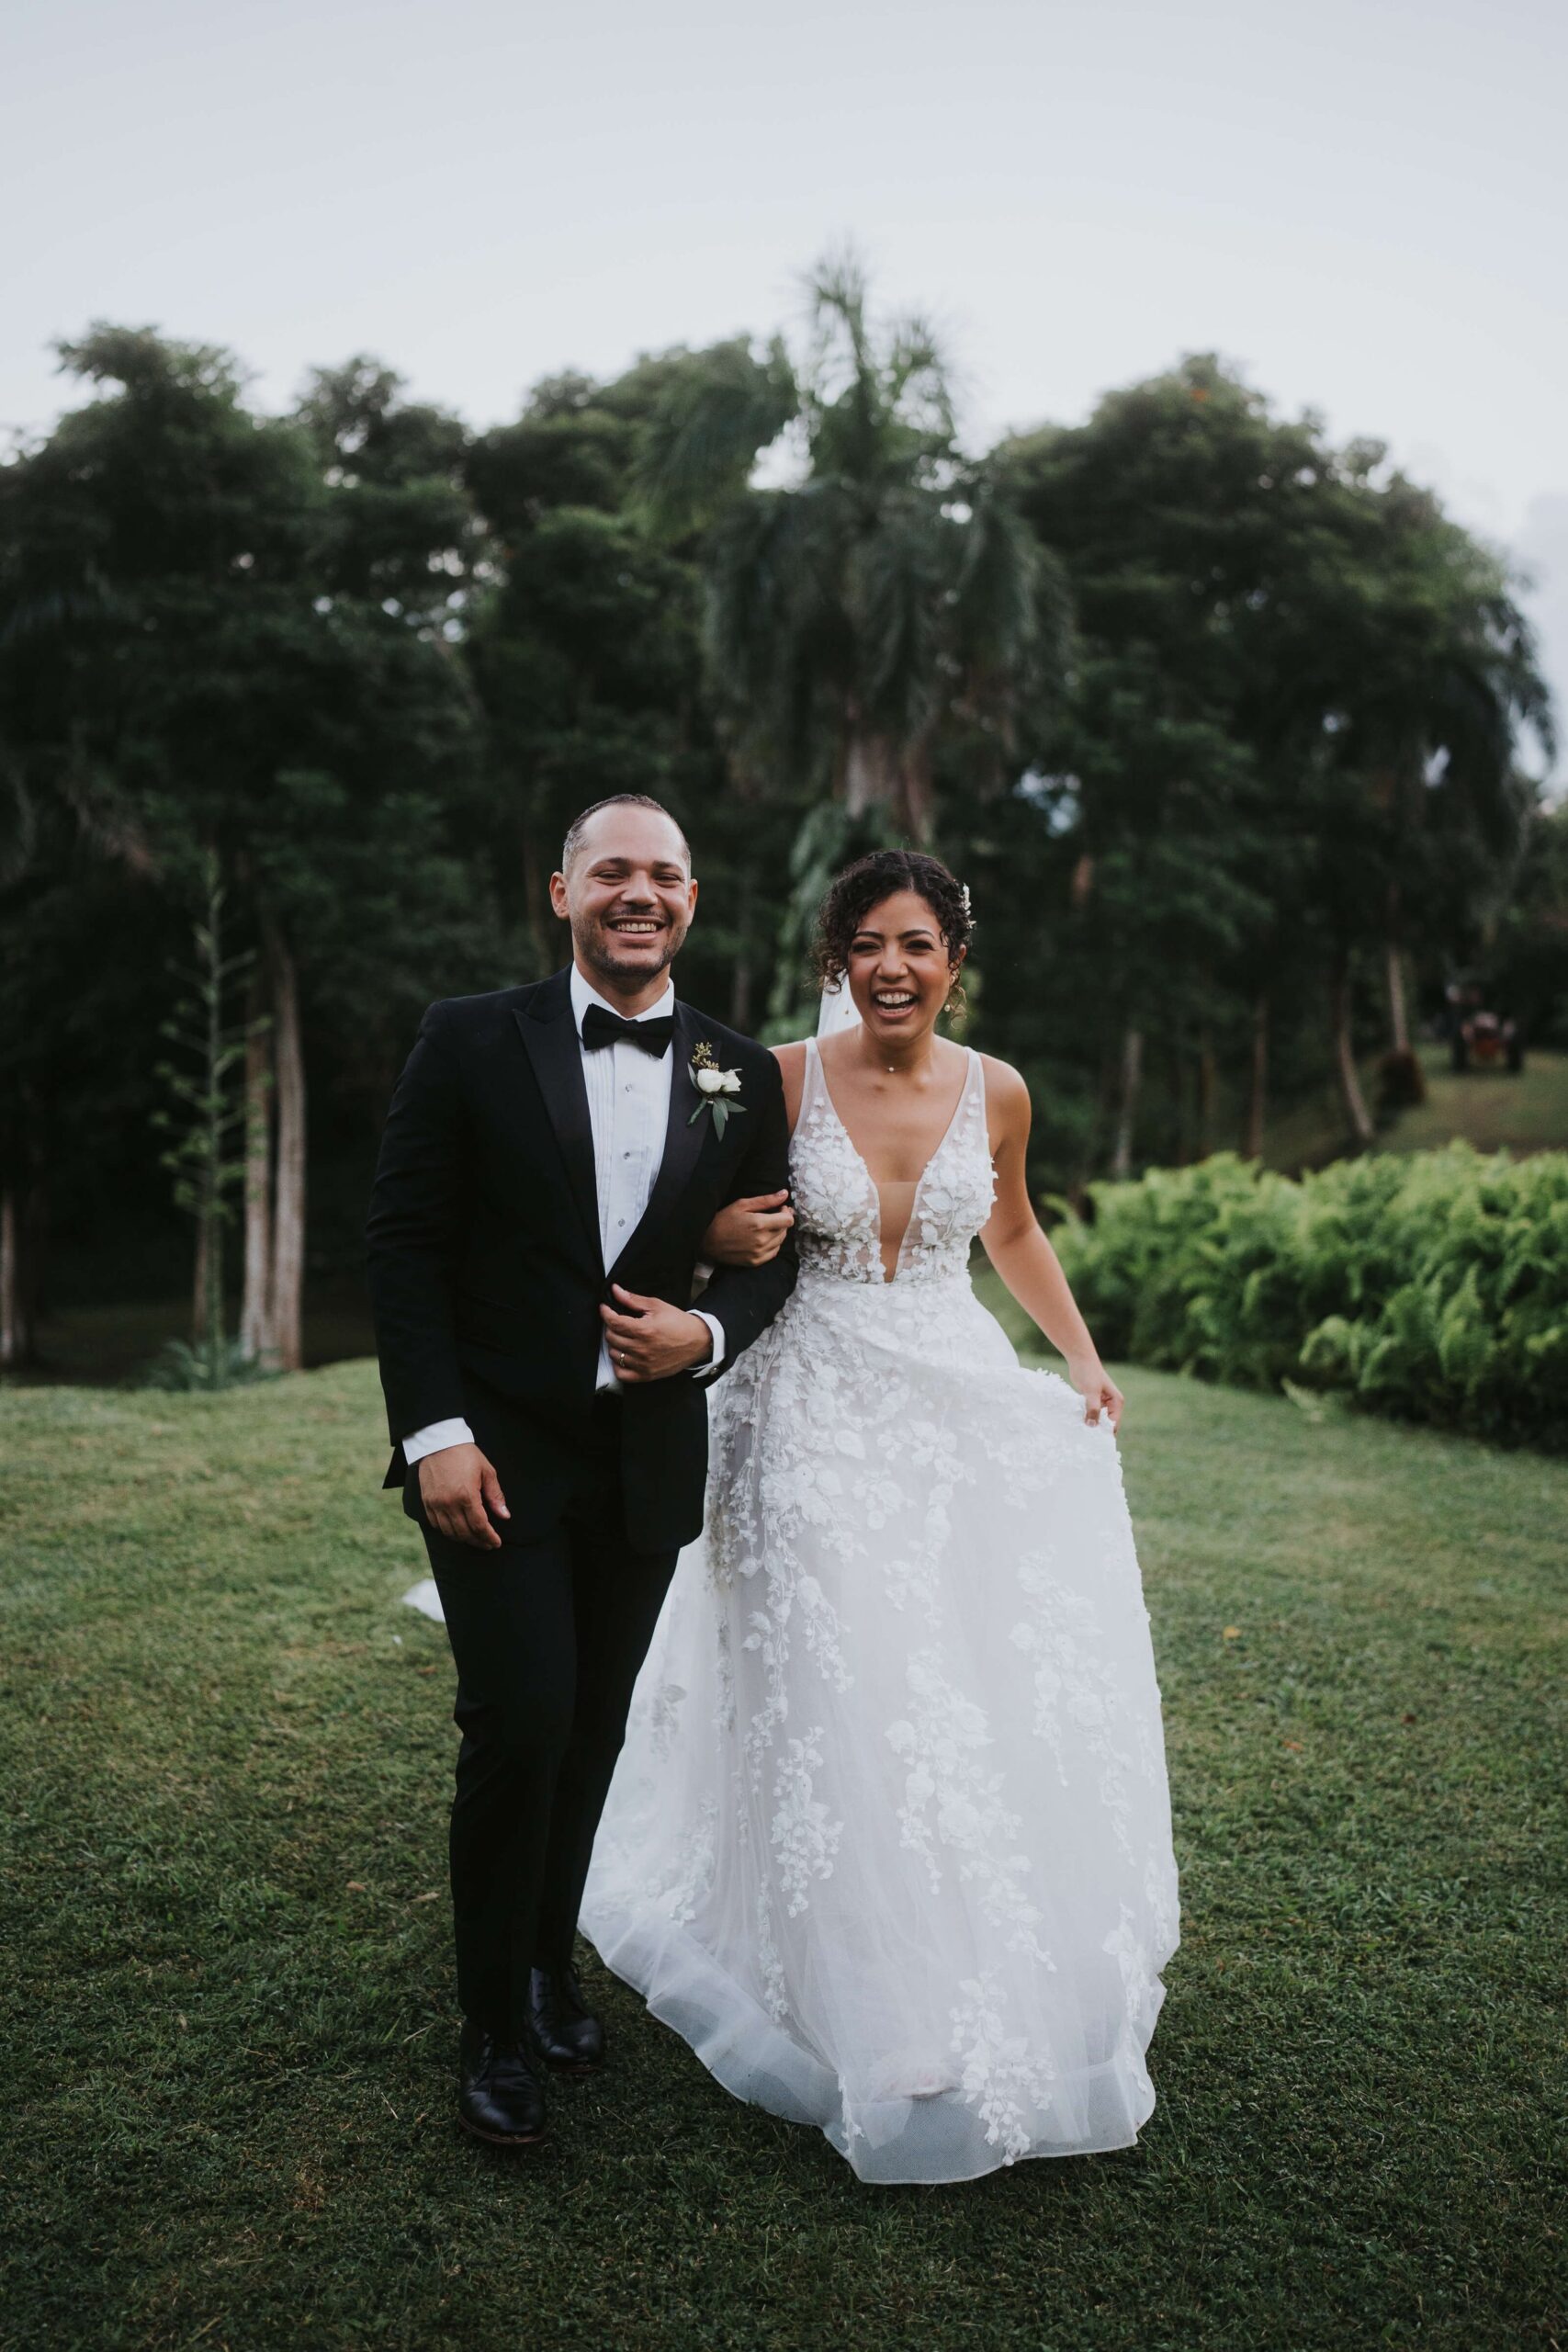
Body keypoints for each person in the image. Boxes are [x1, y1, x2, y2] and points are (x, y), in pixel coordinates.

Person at [584, 849, 1179, 2185]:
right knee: (842, 1688)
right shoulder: (773, 1077)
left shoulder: (1000, 1090)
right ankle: (874, 2016)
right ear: (835, 960)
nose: (892, 967)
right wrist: (724, 1244)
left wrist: (1077, 1356)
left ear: (954, 958)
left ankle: (968, 1952)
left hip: (951, 1400)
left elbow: (1013, 1229)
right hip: (803, 1413)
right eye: (866, 944)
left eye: (916, 943)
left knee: (956, 1689)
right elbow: (698, 1224)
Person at [365, 795, 797, 2148]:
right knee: (522, 1722)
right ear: (561, 892)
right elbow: (405, 1245)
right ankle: (492, 2027)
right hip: (493, 1456)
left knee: (596, 1729)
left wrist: (706, 1326)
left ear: (689, 901)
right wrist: (435, 1435)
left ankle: (548, 1969)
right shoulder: (469, 1037)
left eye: (664, 874)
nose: (639, 893)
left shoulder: (742, 1068)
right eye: (612, 870)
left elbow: (775, 1248)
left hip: (647, 1463)